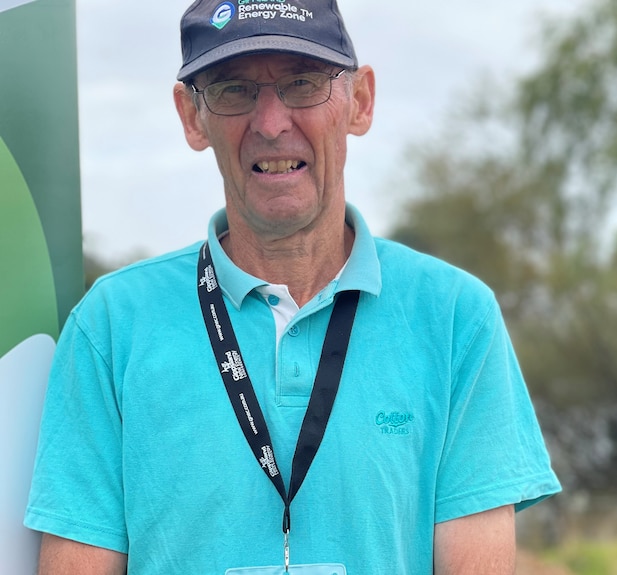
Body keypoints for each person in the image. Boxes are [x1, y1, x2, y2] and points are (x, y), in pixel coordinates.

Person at [24, 0, 562, 573]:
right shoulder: (110, 326)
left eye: (302, 84)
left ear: (359, 101)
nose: (272, 123)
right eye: (234, 90)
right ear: (191, 116)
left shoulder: (456, 319)